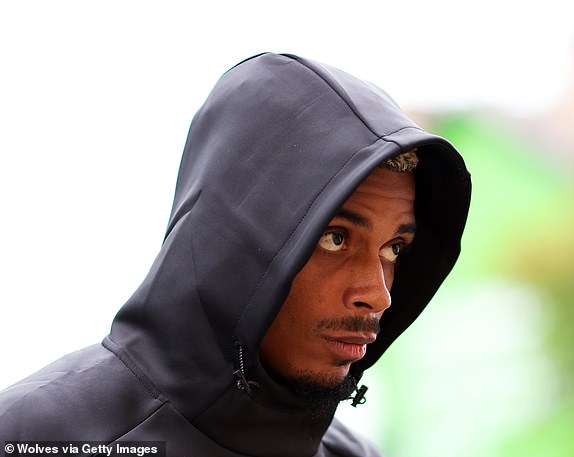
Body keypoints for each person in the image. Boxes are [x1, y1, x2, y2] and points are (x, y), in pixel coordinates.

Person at [0, 52, 471, 456]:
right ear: (237, 238)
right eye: (335, 238)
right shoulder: (37, 435)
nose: (378, 294)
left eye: (394, 248)